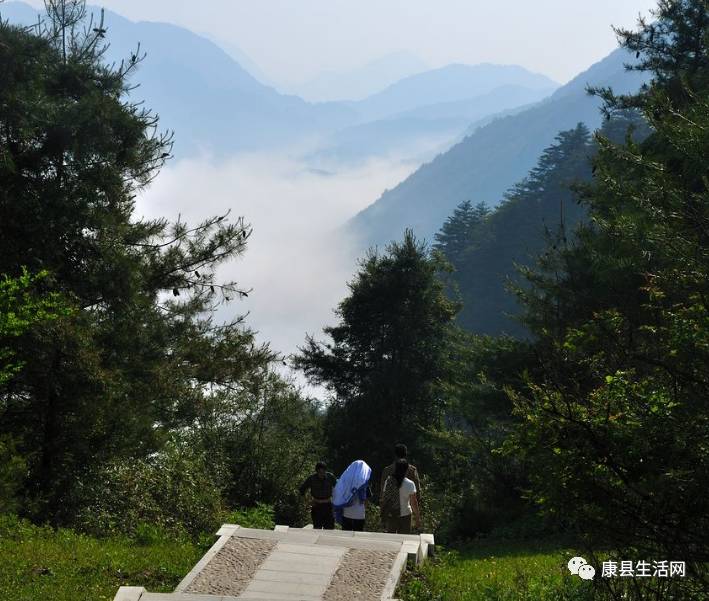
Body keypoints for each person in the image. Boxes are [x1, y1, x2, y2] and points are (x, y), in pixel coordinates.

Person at [381, 458, 421, 534]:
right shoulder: (410, 484)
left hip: (391, 515)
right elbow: (414, 503)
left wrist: (383, 516)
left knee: (391, 539)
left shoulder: (388, 481)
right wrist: (418, 518)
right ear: (406, 470)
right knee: (404, 539)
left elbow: (384, 498)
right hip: (405, 515)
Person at [332, 459, 372, 531]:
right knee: (358, 536)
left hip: (346, 513)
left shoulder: (345, 481)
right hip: (359, 514)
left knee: (346, 535)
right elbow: (367, 499)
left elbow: (338, 492)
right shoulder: (363, 483)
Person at [299, 461, 337, 529]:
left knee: (330, 529)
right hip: (316, 506)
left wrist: (336, 502)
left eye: (323, 472)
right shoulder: (312, 478)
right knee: (317, 528)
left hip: (328, 506)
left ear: (325, 471)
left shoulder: (330, 477)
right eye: (319, 472)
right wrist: (307, 502)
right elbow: (302, 489)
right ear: (316, 471)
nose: (321, 474)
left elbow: (338, 488)